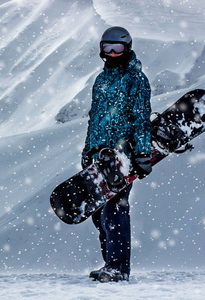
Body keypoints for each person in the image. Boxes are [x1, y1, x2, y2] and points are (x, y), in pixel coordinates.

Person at [81, 26, 153, 282]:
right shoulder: (101, 80)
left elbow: (142, 119)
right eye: (107, 48)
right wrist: (88, 150)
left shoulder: (136, 79)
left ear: (128, 48)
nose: (112, 53)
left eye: (117, 48)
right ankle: (110, 263)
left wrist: (143, 153)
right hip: (101, 157)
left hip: (124, 154)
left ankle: (119, 268)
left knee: (114, 209)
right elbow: (95, 119)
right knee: (100, 212)